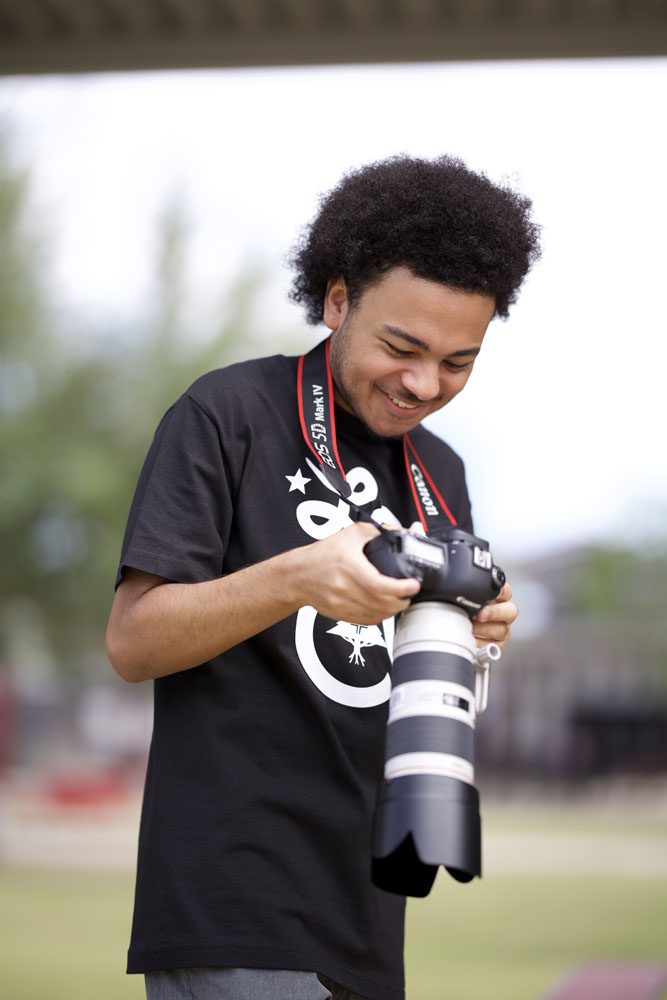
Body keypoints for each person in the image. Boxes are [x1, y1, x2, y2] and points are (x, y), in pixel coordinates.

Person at [106, 154, 541, 1000]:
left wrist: (473, 627)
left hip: (370, 905)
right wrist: (296, 578)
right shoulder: (228, 414)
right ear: (337, 299)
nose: (422, 384)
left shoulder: (440, 470)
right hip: (235, 901)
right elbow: (131, 641)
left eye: (458, 362)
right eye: (400, 347)